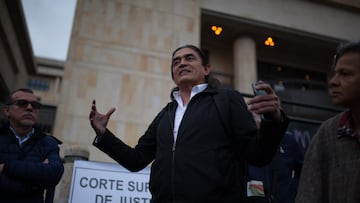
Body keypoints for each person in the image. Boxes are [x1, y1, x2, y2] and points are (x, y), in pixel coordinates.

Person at [89, 44, 289, 202]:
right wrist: (103, 135)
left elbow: (258, 154)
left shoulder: (226, 99)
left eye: (189, 58)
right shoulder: (166, 114)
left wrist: (272, 119)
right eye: (176, 62)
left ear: (206, 69)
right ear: (173, 75)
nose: (181, 63)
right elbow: (136, 160)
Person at [295, 41, 360, 202]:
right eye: (335, 73)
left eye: (345, 74)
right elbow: (307, 196)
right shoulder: (327, 133)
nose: (333, 81)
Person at [0, 88, 64, 203]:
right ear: (7, 110)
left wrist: (6, 167)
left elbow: (54, 174)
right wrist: (36, 184)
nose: (29, 108)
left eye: (35, 105)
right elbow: (45, 177)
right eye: (22, 103)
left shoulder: (49, 143)